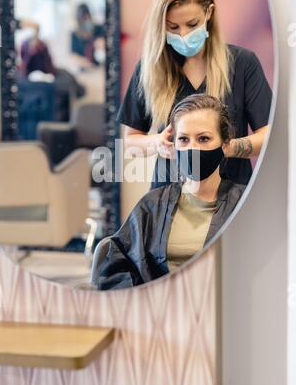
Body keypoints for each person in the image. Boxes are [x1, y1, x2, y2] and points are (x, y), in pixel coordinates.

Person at [116, 0, 272, 188]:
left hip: (231, 200)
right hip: (169, 199)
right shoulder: (149, 69)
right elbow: (130, 141)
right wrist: (156, 143)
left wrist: (228, 147)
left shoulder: (243, 63)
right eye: (173, 27)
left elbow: (268, 136)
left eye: (192, 25)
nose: (183, 35)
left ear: (209, 13)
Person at [94, 94, 246, 290]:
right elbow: (115, 267)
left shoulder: (245, 205)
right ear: (173, 146)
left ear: (225, 145)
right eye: (183, 139)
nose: (192, 148)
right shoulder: (152, 206)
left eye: (204, 138)